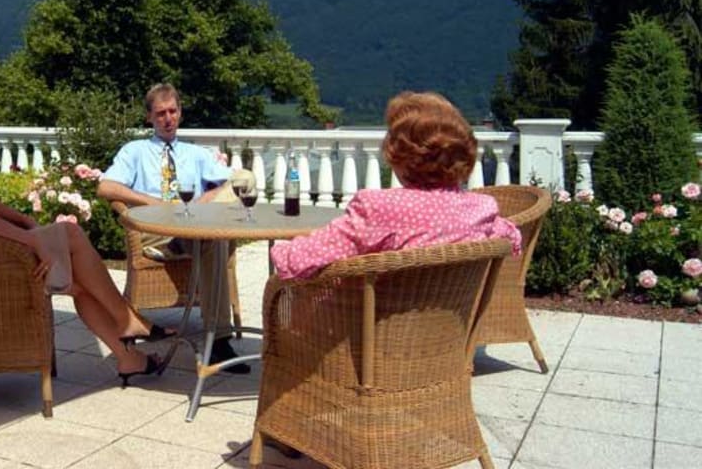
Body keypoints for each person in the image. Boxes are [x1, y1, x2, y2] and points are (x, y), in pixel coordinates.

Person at [0, 83, 169, 386]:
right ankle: (127, 320)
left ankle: (128, 356)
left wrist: (26, 222)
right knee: (71, 238)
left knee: (80, 284)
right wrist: (31, 239)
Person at [270, 91, 522, 280]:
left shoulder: (378, 208)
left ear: (399, 156)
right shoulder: (482, 208)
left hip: (370, 331)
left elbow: (298, 261)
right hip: (448, 333)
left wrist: (280, 248)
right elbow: (512, 239)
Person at [98, 83, 250, 374]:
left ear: (180, 113)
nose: (167, 118)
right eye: (160, 113)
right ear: (149, 118)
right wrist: (152, 202)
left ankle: (217, 342)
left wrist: (202, 204)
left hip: (194, 226)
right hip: (155, 231)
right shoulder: (135, 151)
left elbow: (234, 181)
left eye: (172, 111)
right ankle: (217, 340)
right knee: (214, 238)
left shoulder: (196, 154)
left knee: (242, 182)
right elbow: (105, 186)